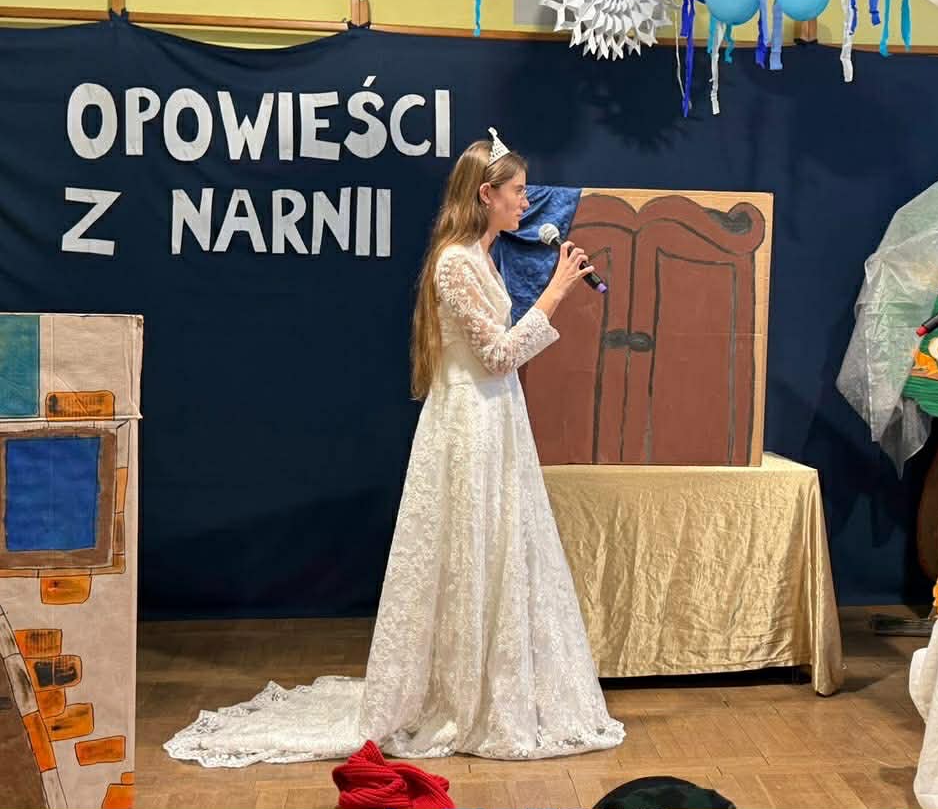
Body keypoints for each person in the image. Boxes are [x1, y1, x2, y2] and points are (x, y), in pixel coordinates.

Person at [165, 129, 625, 766]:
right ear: (485, 194)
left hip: (496, 418)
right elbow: (496, 356)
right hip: (468, 421)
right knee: (467, 546)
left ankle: (488, 686)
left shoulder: (483, 256)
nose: (526, 201)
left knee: (495, 546)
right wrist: (556, 292)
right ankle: (456, 697)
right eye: (517, 191)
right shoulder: (455, 262)